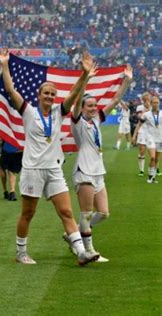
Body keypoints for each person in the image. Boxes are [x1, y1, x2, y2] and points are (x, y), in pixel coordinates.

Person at [0, 48, 99, 265]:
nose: (50, 96)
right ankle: (21, 253)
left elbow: (73, 94)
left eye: (53, 94)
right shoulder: (28, 111)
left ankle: (82, 252)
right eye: (47, 93)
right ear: (39, 95)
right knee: (28, 213)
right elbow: (10, 88)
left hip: (53, 169)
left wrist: (84, 75)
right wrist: (5, 65)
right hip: (33, 169)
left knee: (66, 211)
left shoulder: (58, 112)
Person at [66, 64, 133, 262]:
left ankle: (75, 235)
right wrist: (86, 77)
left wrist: (127, 80)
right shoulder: (77, 121)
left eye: (95, 106)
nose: (94, 108)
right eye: (90, 106)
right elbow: (77, 100)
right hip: (84, 169)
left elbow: (115, 99)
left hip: (98, 170)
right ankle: (88, 251)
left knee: (103, 213)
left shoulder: (96, 120)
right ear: (83, 108)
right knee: (86, 213)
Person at [133, 95, 161, 183]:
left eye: (157, 102)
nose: (156, 104)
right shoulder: (146, 114)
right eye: (154, 103)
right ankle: (149, 176)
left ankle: (152, 178)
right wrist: (134, 135)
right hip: (150, 138)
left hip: (160, 138)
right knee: (152, 157)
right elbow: (139, 125)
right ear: (151, 104)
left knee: (157, 159)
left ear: (159, 103)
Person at [0, 136, 23, 201]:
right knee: (12, 171)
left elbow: (0, 137)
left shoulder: (8, 126)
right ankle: (12, 191)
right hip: (18, 151)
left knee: (2, 169)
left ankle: (5, 190)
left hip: (7, 150)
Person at [133, 92, 152, 176]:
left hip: (152, 131)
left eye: (148, 99)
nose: (147, 101)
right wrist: (146, 110)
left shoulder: (154, 107)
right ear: (143, 100)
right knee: (142, 150)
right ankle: (141, 170)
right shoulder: (139, 107)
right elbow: (140, 118)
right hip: (142, 130)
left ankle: (155, 168)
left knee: (153, 151)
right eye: (145, 100)